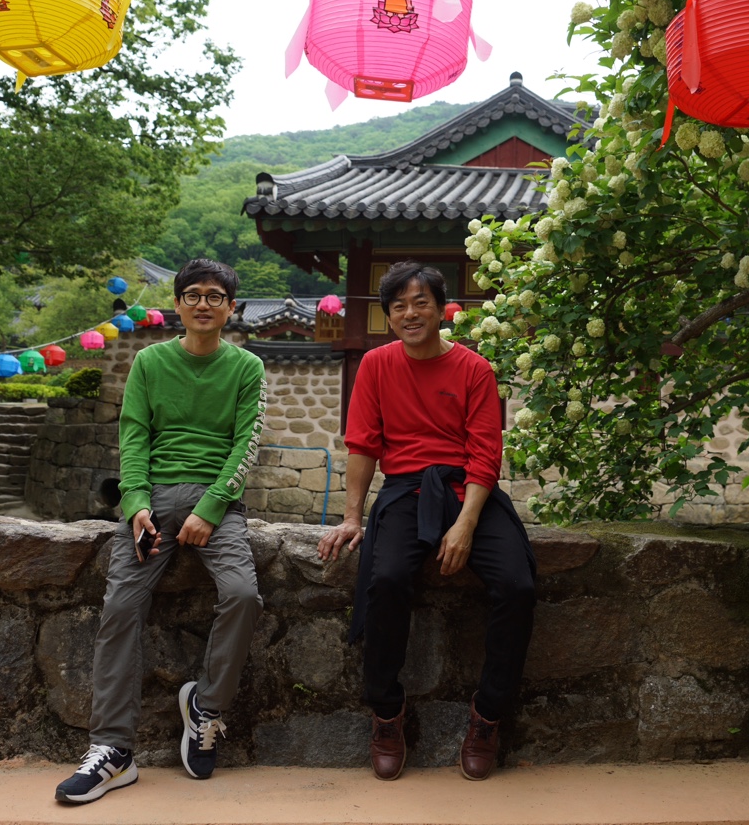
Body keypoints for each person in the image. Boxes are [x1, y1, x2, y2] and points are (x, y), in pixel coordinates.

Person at [55, 259, 268, 805]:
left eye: (215, 296)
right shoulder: (149, 361)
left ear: (231, 308)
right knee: (121, 606)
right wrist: (135, 504)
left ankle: (206, 707)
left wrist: (211, 508)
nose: (203, 304)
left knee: (243, 594)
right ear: (177, 304)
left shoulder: (247, 367)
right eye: (193, 294)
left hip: (216, 506)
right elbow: (134, 436)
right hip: (152, 503)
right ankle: (113, 750)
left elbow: (247, 445)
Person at [318, 261, 537, 782]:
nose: (410, 314)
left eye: (421, 303)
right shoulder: (375, 365)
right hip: (406, 490)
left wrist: (465, 525)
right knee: (388, 579)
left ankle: (487, 716)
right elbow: (363, 445)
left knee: (518, 584)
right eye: (398, 306)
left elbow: (485, 454)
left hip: (468, 490)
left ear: (442, 310)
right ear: (389, 316)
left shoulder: (475, 369)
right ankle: (386, 712)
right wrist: (352, 517)